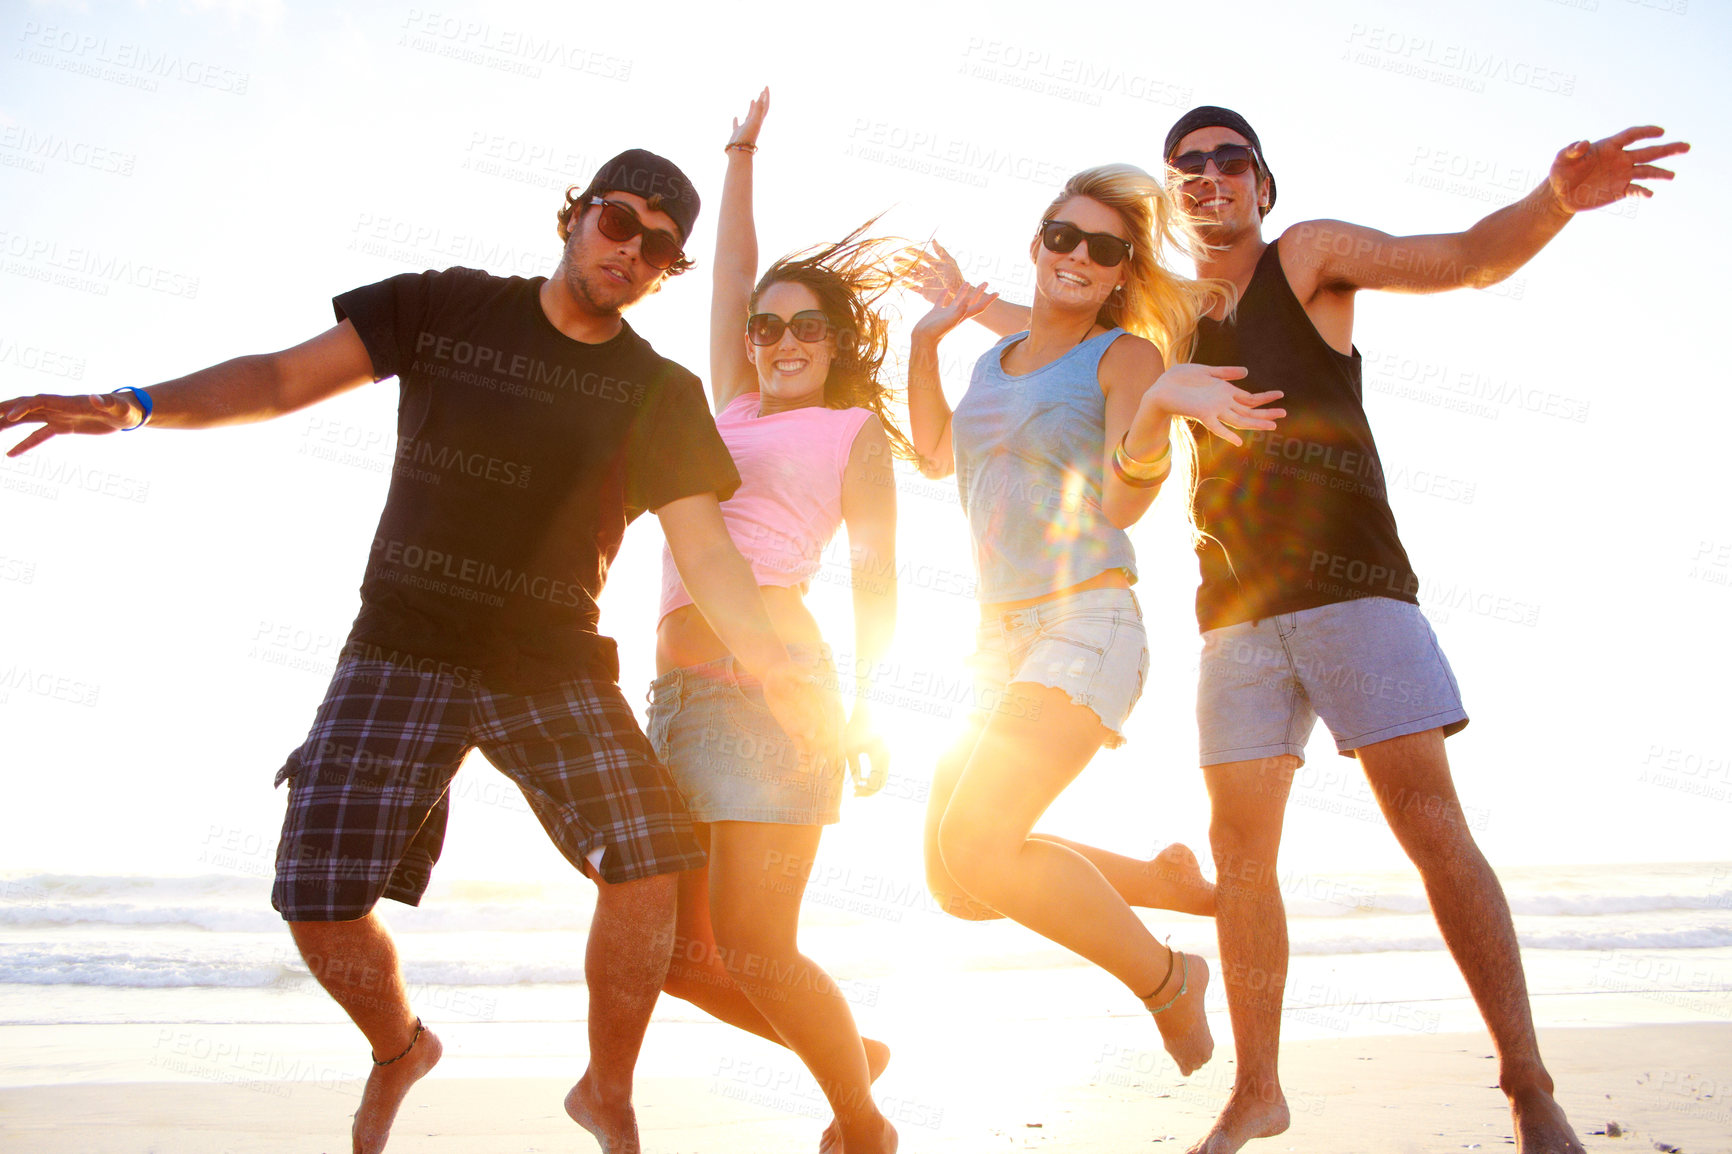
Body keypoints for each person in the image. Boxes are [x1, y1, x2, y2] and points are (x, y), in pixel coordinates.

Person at [0, 148, 842, 1154]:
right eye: (619, 222)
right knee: (316, 901)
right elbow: (278, 377)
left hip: (553, 660)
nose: (633, 250)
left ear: (669, 270)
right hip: (402, 644)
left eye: (659, 246)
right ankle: (400, 1045)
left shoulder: (656, 389)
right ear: (573, 216)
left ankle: (605, 1091)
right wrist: (137, 403)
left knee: (652, 858)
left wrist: (797, 692)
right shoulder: (443, 307)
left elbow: (709, 555)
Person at [929, 108, 1688, 1154]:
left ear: (1260, 181)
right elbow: (1059, 318)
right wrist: (972, 307)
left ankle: (1526, 1081)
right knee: (1241, 860)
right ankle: (1256, 1091)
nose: (1207, 177)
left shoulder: (1309, 258)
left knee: (1428, 825)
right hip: (1232, 613)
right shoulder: (1163, 320)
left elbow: (1463, 260)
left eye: (1226, 159)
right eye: (1185, 166)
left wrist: (1553, 200)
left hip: (1354, 589)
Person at [907, 164, 1284, 1079]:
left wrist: (1154, 412)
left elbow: (1119, 504)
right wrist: (926, 340)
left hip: (1086, 623)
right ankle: (1158, 885)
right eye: (1062, 236)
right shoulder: (991, 359)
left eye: (1104, 249)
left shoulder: (1124, 360)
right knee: (955, 881)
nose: (1078, 255)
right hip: (994, 639)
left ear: (1122, 273)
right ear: (1036, 245)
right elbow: (929, 455)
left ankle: (1169, 982)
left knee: (977, 843)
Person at [646, 89, 903, 1154]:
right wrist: (739, 156)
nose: (780, 338)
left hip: (777, 687)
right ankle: (847, 1057)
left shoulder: (854, 431)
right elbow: (726, 276)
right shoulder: (727, 402)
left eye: (805, 325)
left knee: (753, 942)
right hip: (676, 692)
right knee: (673, 952)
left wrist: (868, 709)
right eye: (766, 325)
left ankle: (860, 1119)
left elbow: (877, 578)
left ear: (835, 339)